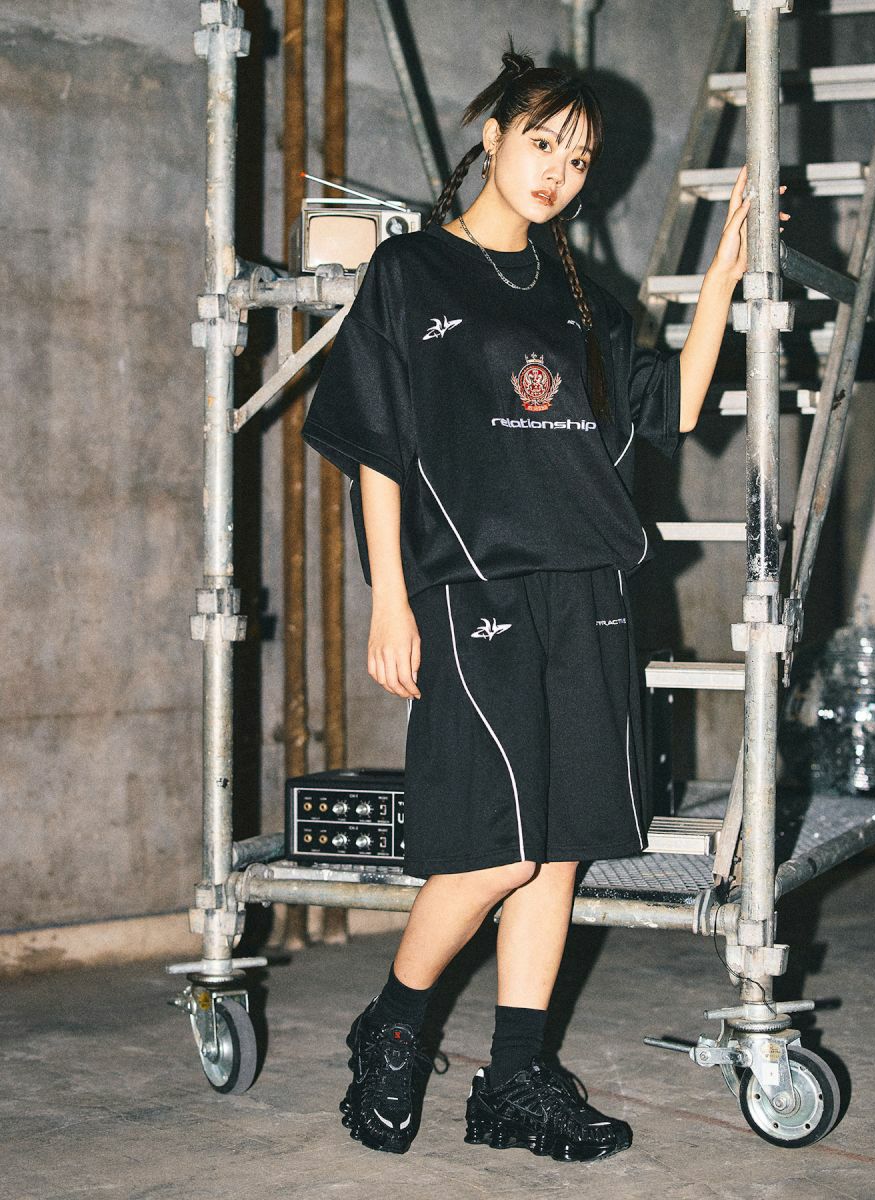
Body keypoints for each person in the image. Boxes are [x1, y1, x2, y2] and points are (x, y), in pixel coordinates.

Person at [301, 37, 788, 1162]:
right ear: (491, 138)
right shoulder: (413, 272)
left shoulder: (581, 297)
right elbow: (378, 446)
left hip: (591, 590)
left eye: (579, 159)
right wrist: (390, 600)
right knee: (497, 849)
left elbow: (674, 406)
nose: (558, 173)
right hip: (473, 588)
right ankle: (394, 1026)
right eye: (542, 144)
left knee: (559, 844)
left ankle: (516, 1080)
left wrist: (723, 271)